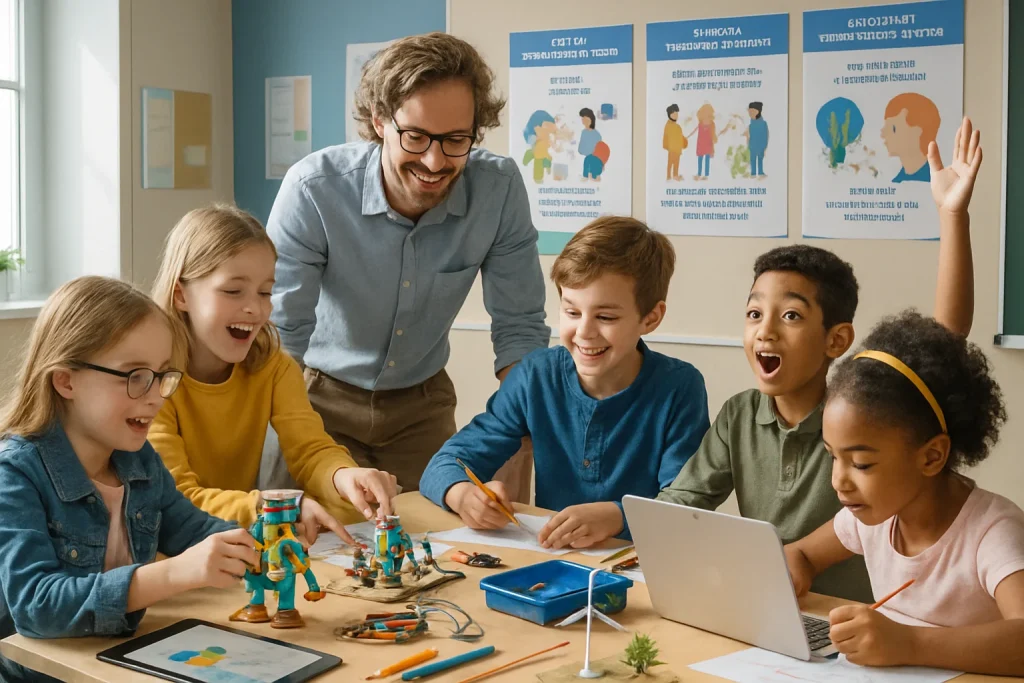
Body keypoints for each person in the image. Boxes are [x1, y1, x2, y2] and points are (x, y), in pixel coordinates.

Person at [656, 118, 984, 602]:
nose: (765, 330)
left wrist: (952, 216)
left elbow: (944, 342)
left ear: (837, 340)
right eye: (754, 313)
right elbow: (681, 505)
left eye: (790, 315)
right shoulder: (739, 415)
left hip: (857, 619)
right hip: (773, 609)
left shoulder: (864, 415)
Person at [266, 32, 548, 500]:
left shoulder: (498, 190)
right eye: (416, 137)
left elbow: (519, 326)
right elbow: (282, 335)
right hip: (316, 400)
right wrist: (291, 438)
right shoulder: (313, 189)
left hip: (422, 406)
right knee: (303, 536)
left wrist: (519, 434)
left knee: (436, 539)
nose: (435, 162)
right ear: (380, 121)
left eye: (456, 140)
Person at [0, 277, 256, 682]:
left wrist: (267, 537)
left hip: (116, 663)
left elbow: (196, 532)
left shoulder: (139, 460)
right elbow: (37, 606)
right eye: (135, 375)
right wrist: (174, 574)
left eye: (161, 375)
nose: (155, 396)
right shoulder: (15, 474)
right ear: (66, 380)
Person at [420, 217, 709, 549]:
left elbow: (688, 506)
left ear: (651, 318)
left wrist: (618, 517)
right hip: (552, 560)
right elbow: (443, 464)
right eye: (572, 312)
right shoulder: (535, 375)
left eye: (605, 317)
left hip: (643, 562)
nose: (584, 332)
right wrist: (463, 496)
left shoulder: (679, 387)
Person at [785, 311, 1024, 677]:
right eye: (833, 456)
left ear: (931, 456)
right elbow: (800, 554)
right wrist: (790, 573)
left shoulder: (992, 532)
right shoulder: (872, 518)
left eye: (861, 464)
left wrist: (909, 644)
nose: (839, 481)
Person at [149, 205, 398, 536]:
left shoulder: (273, 367)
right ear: (181, 294)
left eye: (265, 292)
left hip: (233, 538)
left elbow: (310, 449)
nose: (255, 308)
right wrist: (276, 506)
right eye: (233, 291)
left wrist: (343, 476)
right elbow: (175, 500)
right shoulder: (150, 378)